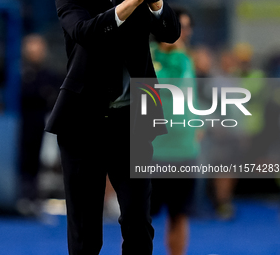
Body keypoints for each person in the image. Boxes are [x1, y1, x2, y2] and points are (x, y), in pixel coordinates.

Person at [44, 0, 181, 254]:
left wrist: (157, 4)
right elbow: (84, 32)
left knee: (138, 221)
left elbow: (170, 33)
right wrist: (130, 3)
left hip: (133, 124)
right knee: (85, 230)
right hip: (82, 125)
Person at [150, 6, 200, 255]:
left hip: (184, 153)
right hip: (150, 154)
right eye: (180, 26)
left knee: (179, 216)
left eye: (187, 27)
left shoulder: (189, 59)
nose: (185, 33)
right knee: (139, 220)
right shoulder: (145, 56)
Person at [18, 34, 61, 216]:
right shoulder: (18, 72)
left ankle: (33, 198)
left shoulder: (49, 74)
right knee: (22, 160)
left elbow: (54, 94)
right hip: (19, 123)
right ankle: (21, 197)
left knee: (37, 161)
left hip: (40, 123)